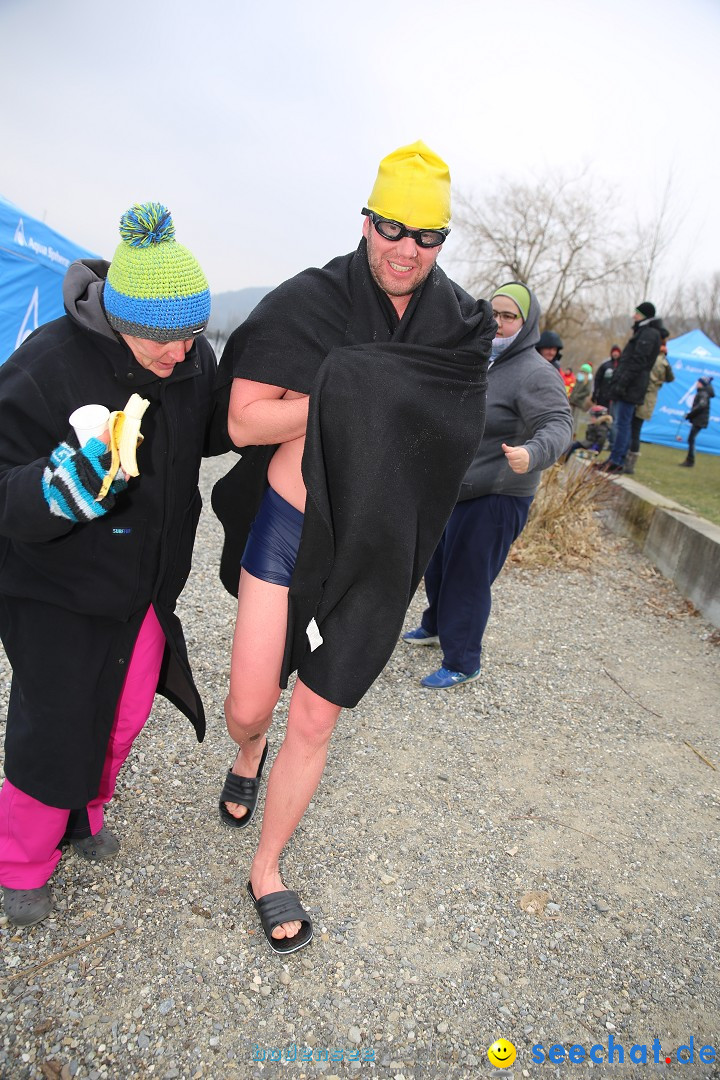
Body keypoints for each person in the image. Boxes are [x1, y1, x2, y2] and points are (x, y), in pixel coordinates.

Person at [211, 142, 495, 953]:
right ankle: (247, 746)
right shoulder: (309, 300)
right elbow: (242, 422)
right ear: (366, 220)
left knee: (318, 717)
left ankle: (267, 865)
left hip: (377, 545)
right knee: (250, 706)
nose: (407, 248)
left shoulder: (460, 325)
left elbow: (451, 428)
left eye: (428, 235)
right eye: (391, 226)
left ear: (444, 239)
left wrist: (340, 391)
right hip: (292, 527)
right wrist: (347, 396)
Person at [0, 203, 234, 928]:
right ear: (116, 319)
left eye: (193, 336)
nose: (182, 355)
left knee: (124, 715)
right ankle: (20, 861)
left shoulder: (190, 359)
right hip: (56, 590)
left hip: (146, 590)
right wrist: (60, 488)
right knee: (56, 721)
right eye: (164, 340)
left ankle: (83, 818)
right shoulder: (47, 364)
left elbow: (219, 429)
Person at [402, 282, 572, 689]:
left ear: (526, 323)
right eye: (493, 314)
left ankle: (463, 660)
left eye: (509, 316)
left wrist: (532, 453)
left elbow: (559, 423)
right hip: (458, 488)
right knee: (438, 564)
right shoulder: (479, 359)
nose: (498, 323)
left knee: (468, 576)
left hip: (499, 493)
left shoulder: (534, 373)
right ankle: (437, 625)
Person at [596, 301, 663, 473]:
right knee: (620, 423)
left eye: (638, 314)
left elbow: (637, 362)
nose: (634, 316)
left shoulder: (649, 334)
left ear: (646, 316)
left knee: (622, 424)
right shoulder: (643, 332)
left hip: (630, 388)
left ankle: (617, 460)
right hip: (628, 386)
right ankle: (615, 458)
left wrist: (622, 383)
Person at [625, 328, 673, 474]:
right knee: (635, 429)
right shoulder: (664, 362)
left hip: (643, 395)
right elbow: (670, 378)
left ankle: (628, 463)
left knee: (633, 429)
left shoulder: (654, 361)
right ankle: (629, 462)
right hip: (650, 397)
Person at [680, 376, 715, 467]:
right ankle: (690, 460)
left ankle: (690, 460)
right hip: (699, 419)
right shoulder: (704, 393)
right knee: (691, 439)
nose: (696, 384)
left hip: (699, 420)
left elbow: (701, 406)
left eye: (698, 383)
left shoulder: (703, 394)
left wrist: (690, 414)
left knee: (691, 439)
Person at [592, 344, 622, 448]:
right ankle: (598, 439)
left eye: (617, 351)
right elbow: (597, 379)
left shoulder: (621, 366)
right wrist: (595, 392)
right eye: (613, 351)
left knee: (612, 420)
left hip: (615, 399)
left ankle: (612, 442)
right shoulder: (605, 366)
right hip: (603, 397)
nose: (615, 353)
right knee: (601, 419)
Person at [568, 363, 593, 437]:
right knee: (569, 417)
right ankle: (568, 432)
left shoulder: (588, 380)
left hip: (579, 402)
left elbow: (587, 392)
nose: (581, 372)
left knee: (575, 418)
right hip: (572, 400)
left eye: (583, 371)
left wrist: (577, 396)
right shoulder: (579, 378)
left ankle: (573, 433)